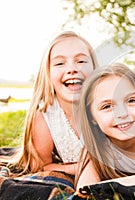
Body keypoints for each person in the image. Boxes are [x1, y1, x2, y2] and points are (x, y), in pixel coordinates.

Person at [2, 31, 98, 176]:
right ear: (47, 74)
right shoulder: (46, 115)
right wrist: (75, 169)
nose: (72, 69)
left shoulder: (107, 105)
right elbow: (40, 166)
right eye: (60, 63)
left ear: (95, 69)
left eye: (81, 61)